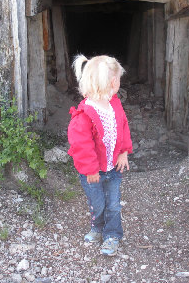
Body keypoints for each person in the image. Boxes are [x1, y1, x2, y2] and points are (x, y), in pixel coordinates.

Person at [67, 54, 133, 256]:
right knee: (97, 203)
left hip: (112, 169)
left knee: (113, 203)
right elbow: (81, 145)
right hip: (93, 173)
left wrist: (123, 152)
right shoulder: (85, 114)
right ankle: (97, 228)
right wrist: (90, 170)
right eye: (119, 79)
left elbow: (123, 127)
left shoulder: (115, 105)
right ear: (113, 82)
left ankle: (112, 234)